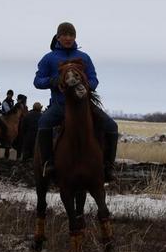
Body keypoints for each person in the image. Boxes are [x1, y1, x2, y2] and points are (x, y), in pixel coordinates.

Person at [33, 22, 118, 182]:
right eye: (64, 35)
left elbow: (94, 79)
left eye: (71, 35)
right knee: (44, 122)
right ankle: (47, 163)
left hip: (84, 105)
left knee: (112, 126)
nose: (68, 38)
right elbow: (37, 81)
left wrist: (87, 86)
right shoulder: (49, 58)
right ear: (58, 37)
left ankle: (108, 166)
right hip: (60, 106)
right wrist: (54, 81)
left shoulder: (84, 57)